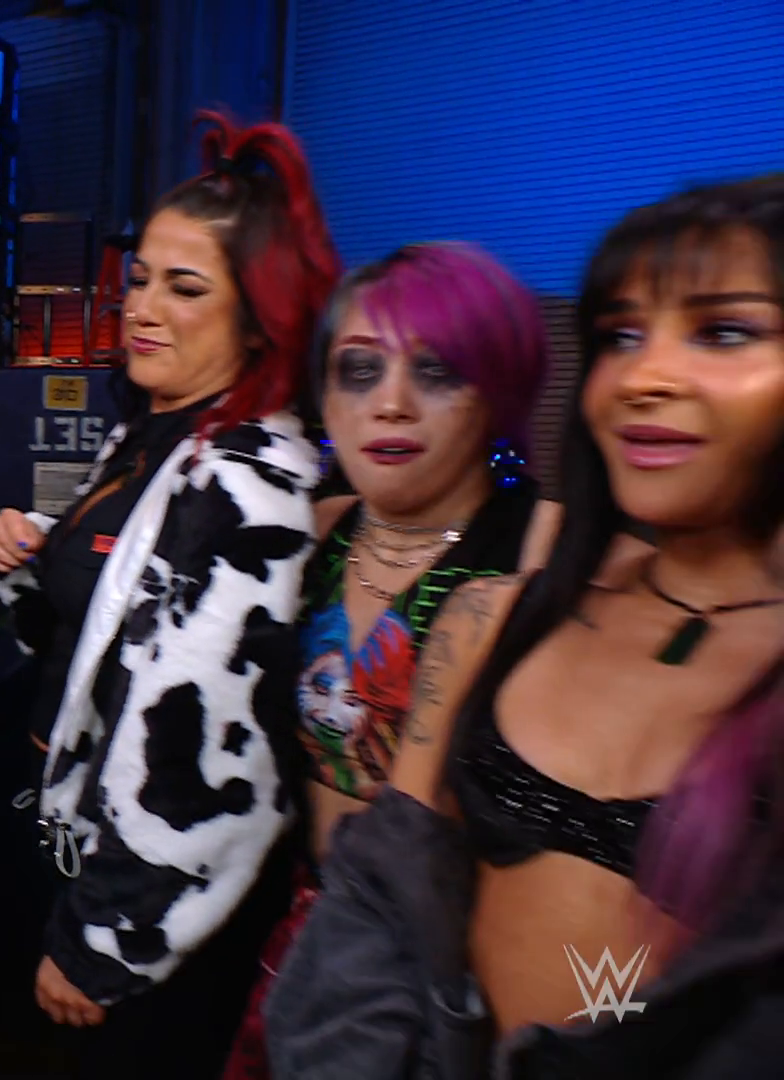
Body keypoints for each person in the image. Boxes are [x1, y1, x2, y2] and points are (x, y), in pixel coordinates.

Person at [264, 174, 784, 1077]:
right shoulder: (337, 547)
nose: (646, 377)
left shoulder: (529, 552)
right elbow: (390, 880)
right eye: (622, 337)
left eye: (724, 331)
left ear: (500, 386)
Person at [0, 110, 340, 1078]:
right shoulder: (153, 435)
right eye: (140, 279)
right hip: (73, 837)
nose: (142, 307)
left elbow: (206, 757)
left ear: (258, 318)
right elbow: (99, 641)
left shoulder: (247, 481)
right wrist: (26, 564)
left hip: (142, 906)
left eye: (185, 288)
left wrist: (106, 938)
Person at [220, 242, 559, 1078]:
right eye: (360, 370)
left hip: (453, 957)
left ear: (499, 389)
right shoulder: (308, 531)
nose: (391, 404)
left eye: (436, 372)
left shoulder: (546, 550)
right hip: (294, 931)